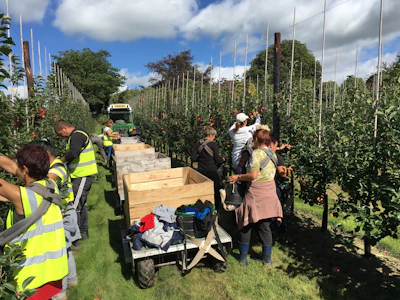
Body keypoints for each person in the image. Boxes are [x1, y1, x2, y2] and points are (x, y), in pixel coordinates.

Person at [0, 145, 68, 299]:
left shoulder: (22, 197)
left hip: (29, 281)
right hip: (53, 273)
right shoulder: (51, 187)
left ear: (24, 168)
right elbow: (11, 166)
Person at [227, 129, 283, 266]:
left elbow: (253, 175)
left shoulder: (256, 154)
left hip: (256, 192)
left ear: (257, 140)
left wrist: (238, 177)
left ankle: (243, 258)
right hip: (269, 192)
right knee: (265, 225)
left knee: (246, 224)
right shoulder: (273, 154)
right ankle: (267, 260)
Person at [36, 140, 80, 298]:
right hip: (63, 213)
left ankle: (62, 290)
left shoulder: (57, 168)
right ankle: (72, 279)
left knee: (60, 251)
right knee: (65, 249)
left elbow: (49, 181)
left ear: (45, 155)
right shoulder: (53, 166)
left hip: (65, 214)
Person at [55, 120, 98, 241]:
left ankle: (75, 238)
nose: (61, 136)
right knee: (81, 205)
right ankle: (83, 233)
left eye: (60, 133)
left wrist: (61, 160)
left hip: (83, 175)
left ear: (64, 128)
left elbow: (74, 153)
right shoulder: (77, 135)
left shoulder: (77, 135)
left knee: (74, 206)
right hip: (80, 175)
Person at [191, 127, 225, 209]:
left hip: (201, 171)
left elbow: (193, 158)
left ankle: (203, 207)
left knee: (203, 190)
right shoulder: (213, 145)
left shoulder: (197, 144)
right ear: (211, 135)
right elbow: (217, 160)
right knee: (216, 190)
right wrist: (223, 160)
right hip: (212, 171)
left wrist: (201, 159)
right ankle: (216, 207)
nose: (214, 138)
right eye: (214, 136)